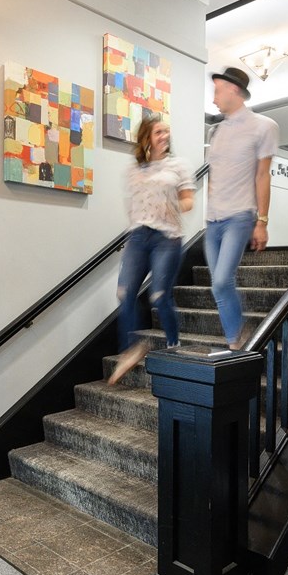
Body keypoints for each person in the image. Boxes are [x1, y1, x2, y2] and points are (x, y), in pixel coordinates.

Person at [108, 115, 195, 385]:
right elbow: (132, 203)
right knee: (124, 292)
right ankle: (132, 348)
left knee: (159, 295)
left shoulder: (178, 166)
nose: (164, 136)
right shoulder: (135, 169)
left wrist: (175, 207)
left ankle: (173, 344)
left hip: (166, 237)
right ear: (146, 137)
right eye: (158, 132)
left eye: (167, 131)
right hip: (139, 236)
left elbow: (188, 201)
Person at [205, 66, 280, 350]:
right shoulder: (216, 131)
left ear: (233, 90)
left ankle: (237, 341)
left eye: (217, 91)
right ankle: (235, 339)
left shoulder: (264, 126)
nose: (213, 99)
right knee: (219, 285)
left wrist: (262, 221)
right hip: (212, 221)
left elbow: (263, 175)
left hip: (239, 216)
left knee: (222, 280)